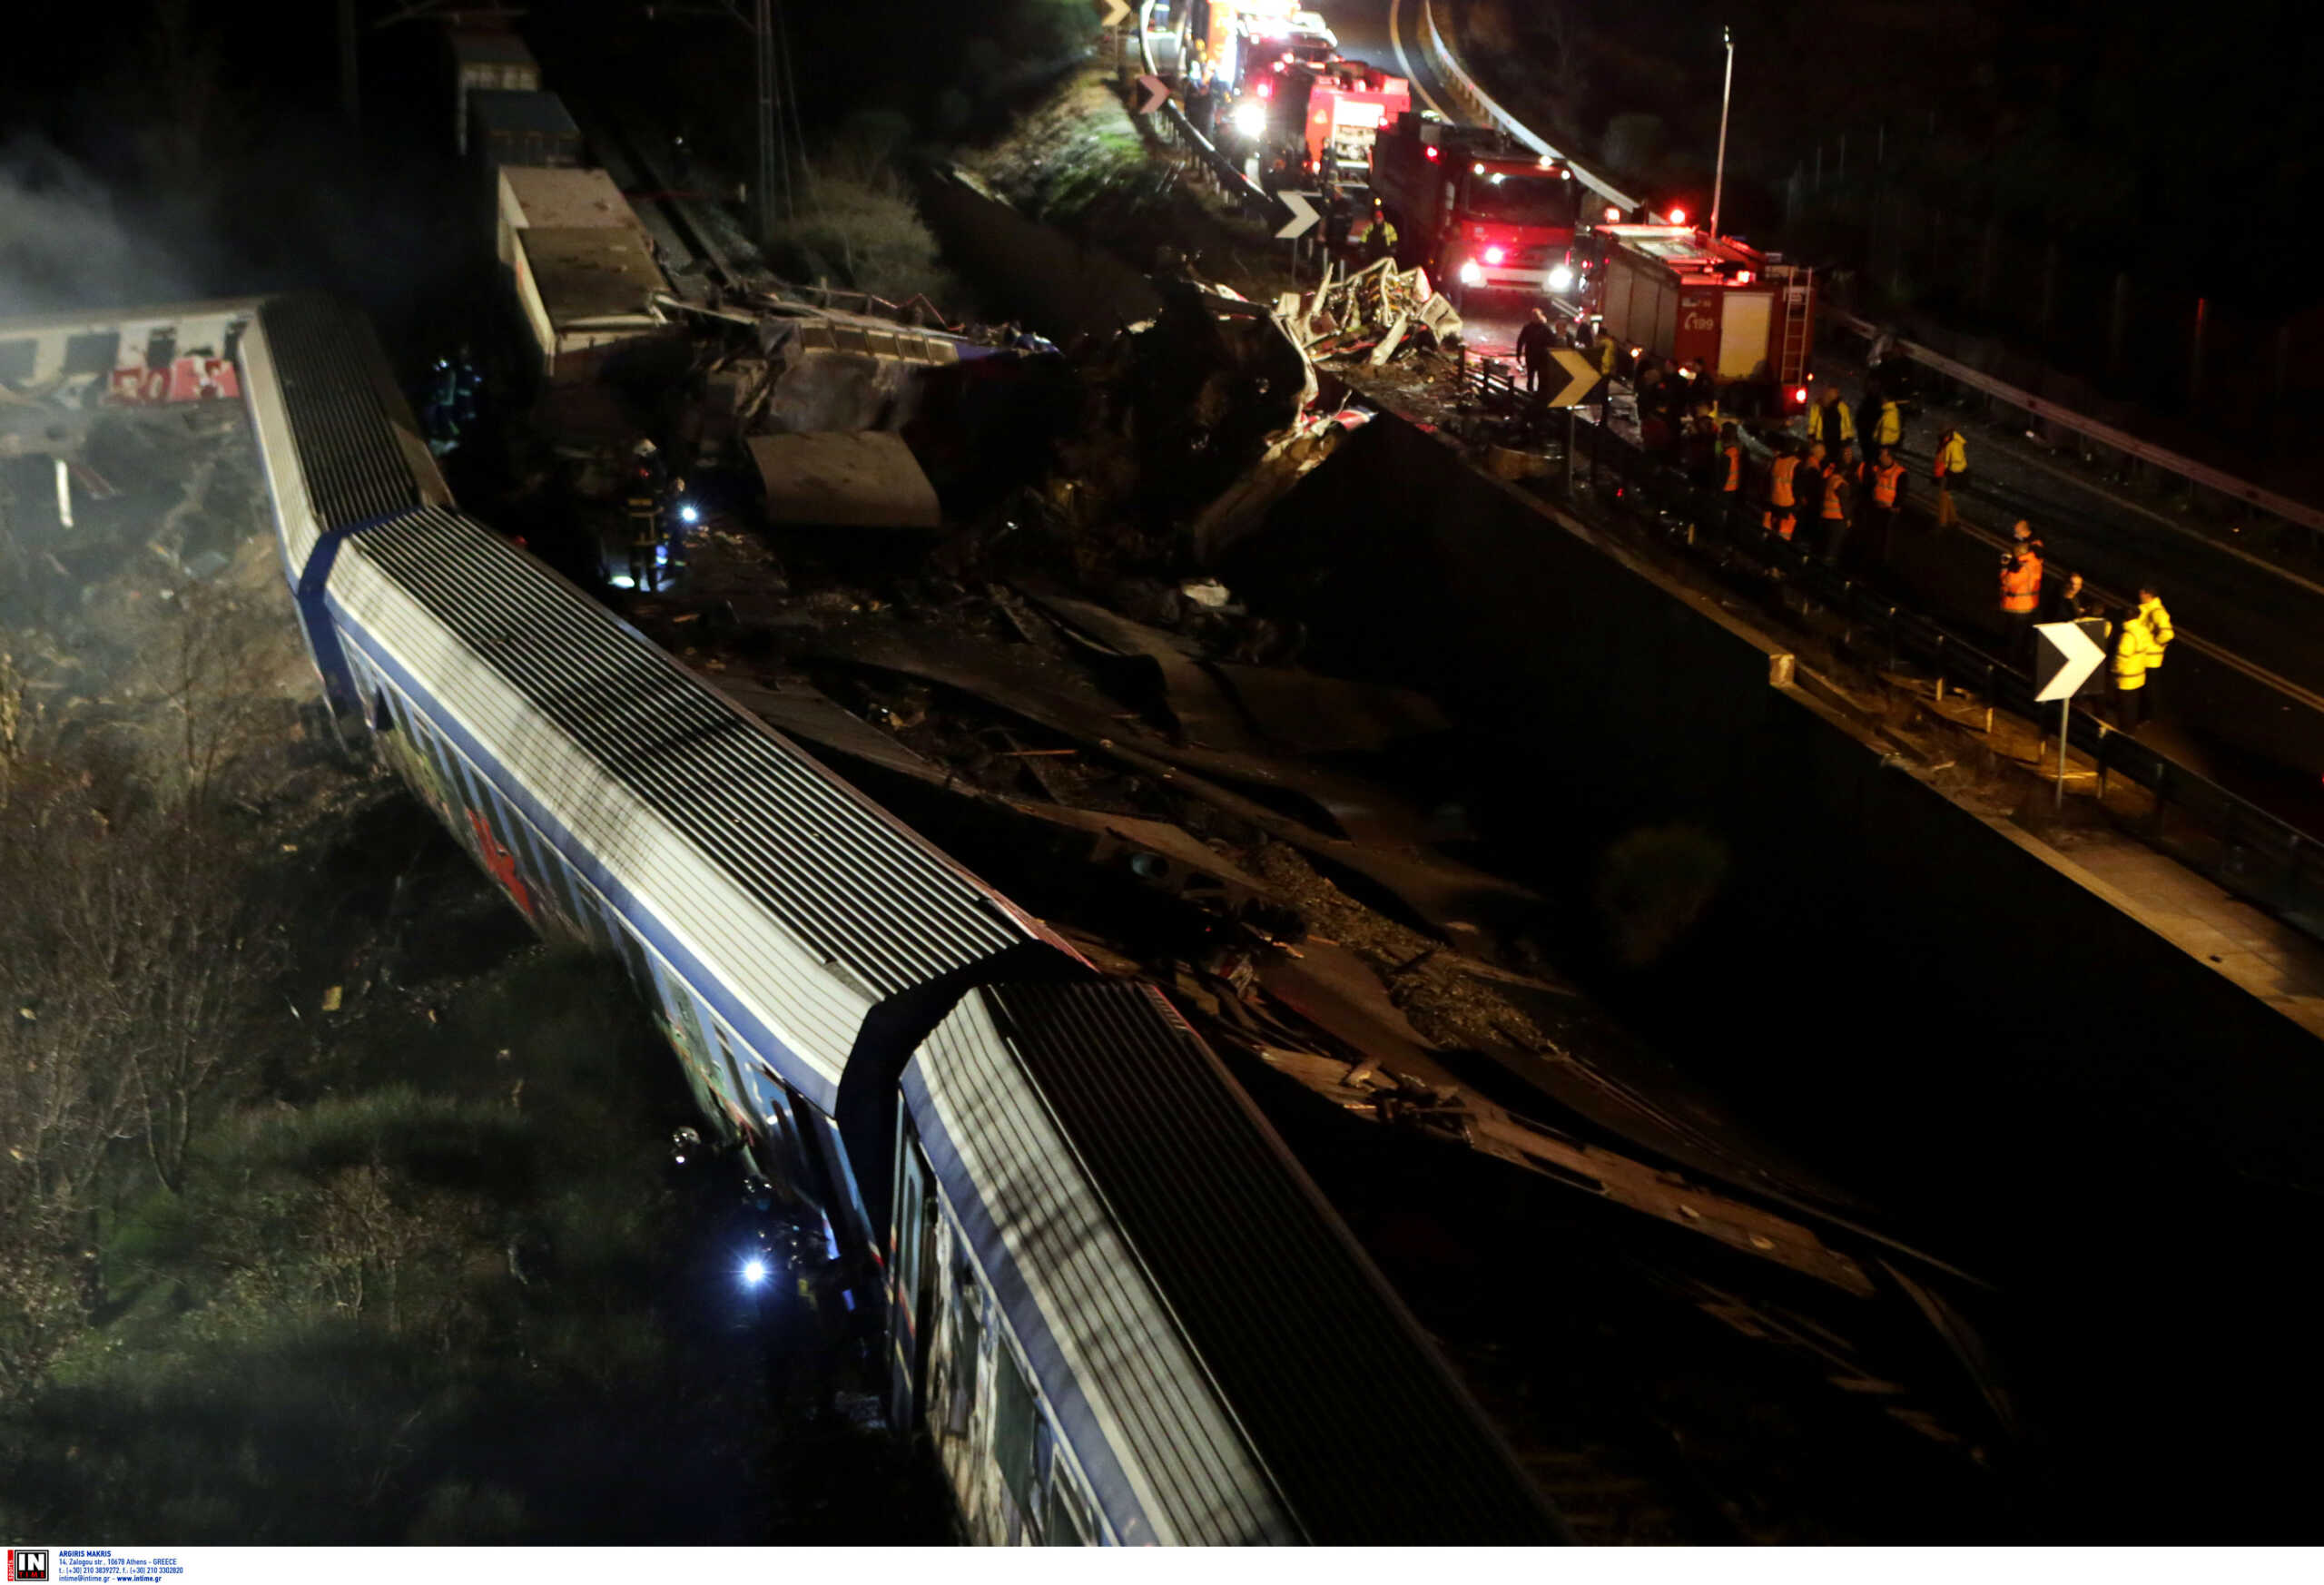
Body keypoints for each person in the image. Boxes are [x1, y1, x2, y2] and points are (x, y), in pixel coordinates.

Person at [2110, 585, 2172, 731]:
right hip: (2145, 657)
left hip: (2151, 658)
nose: (2139, 596)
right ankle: (2139, 716)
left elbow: (2168, 634)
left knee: (2148, 690)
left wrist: (2154, 643)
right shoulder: (2148, 608)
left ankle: (2145, 717)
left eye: (2141, 593)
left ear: (2147, 595)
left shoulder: (2156, 612)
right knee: (2141, 688)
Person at [1998, 519, 2044, 665]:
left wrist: (2005, 567)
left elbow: (2008, 582)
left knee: (2013, 639)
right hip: (2030, 606)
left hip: (2017, 607)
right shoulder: (2035, 559)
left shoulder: (2021, 567)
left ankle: (2010, 664)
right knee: (2022, 638)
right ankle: (2019, 660)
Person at [1866, 444, 1906, 560]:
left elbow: (1901, 492)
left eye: (1882, 455)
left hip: (1889, 511)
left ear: (1889, 457)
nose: (1879, 457)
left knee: (1885, 538)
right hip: (1876, 508)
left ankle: (1882, 560)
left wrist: (1895, 506)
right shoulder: (1878, 468)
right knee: (1874, 535)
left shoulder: (1900, 473)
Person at [1818, 443, 1857, 566]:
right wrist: (1848, 518)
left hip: (1827, 514)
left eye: (1850, 453)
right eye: (1846, 453)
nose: (1848, 456)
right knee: (1833, 547)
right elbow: (1844, 502)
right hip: (1837, 517)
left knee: (1827, 544)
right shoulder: (1840, 481)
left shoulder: (1833, 477)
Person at [1764, 441, 1802, 540]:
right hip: (1788, 503)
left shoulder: (1776, 460)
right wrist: (1798, 503)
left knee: (1772, 527)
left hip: (1773, 499)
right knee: (1784, 532)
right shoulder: (1796, 463)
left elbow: (1768, 479)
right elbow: (1798, 486)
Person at [1934, 425, 1968, 527]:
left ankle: (1943, 522)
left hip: (1947, 473)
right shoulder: (1949, 442)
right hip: (1945, 472)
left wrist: (1944, 468)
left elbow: (1949, 461)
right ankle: (1954, 520)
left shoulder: (1952, 445)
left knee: (1943, 496)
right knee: (1946, 496)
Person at [1515, 307, 1556, 395]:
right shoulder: (1542, 328)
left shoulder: (1540, 328)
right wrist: (1518, 354)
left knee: (1538, 376)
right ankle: (1534, 394)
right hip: (1535, 356)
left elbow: (1521, 341)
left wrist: (1518, 355)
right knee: (1533, 376)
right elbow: (1521, 341)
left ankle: (1536, 394)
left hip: (1538, 356)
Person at [1806, 386, 1855, 456]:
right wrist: (1811, 436)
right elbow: (1812, 424)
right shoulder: (1817, 406)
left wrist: (1847, 440)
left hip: (1838, 442)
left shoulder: (1842, 408)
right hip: (1822, 441)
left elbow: (1848, 426)